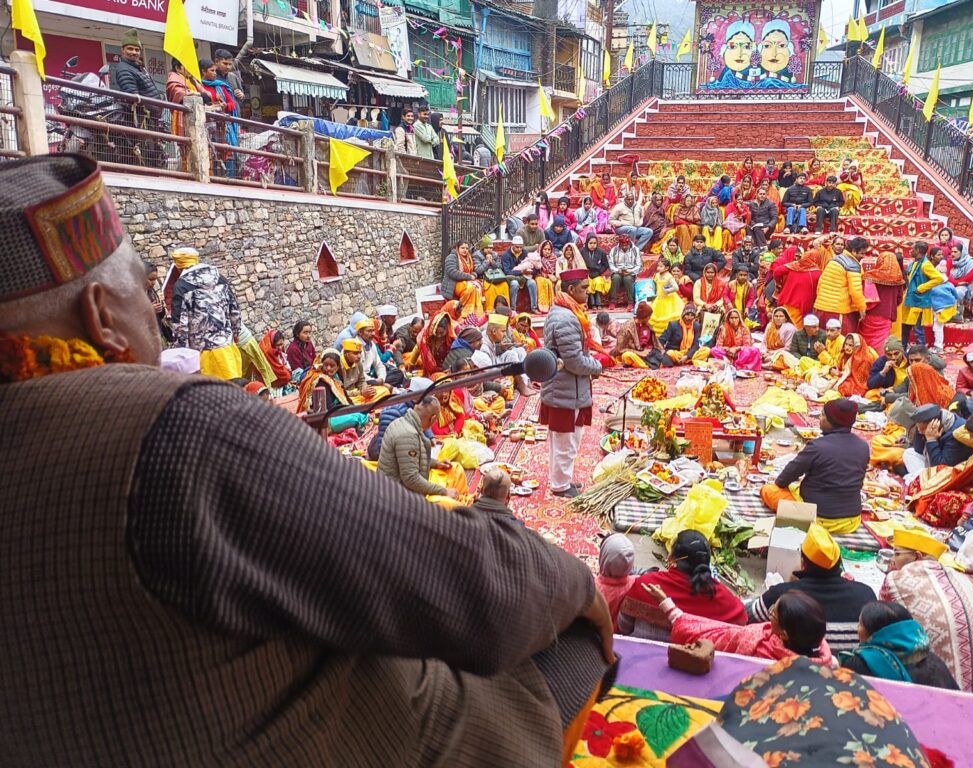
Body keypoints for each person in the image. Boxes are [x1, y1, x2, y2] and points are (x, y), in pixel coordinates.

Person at [0, 154, 614, 765]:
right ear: (102, 317)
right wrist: (577, 582)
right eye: (144, 294)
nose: (160, 320)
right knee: (571, 636)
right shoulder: (172, 427)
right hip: (370, 740)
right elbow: (476, 582)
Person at [880, 528, 973, 692]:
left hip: (933, 688)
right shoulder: (962, 579)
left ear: (917, 556)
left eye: (896, 554)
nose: (892, 560)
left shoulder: (895, 580)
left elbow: (877, 620)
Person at [748, 524, 875, 652]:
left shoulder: (781, 597)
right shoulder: (866, 596)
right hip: (850, 663)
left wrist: (790, 583)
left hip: (791, 662)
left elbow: (745, 616)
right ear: (839, 564)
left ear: (803, 563)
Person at [649, 585, 832, 665]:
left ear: (784, 634)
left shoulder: (759, 655)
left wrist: (669, 607)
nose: (768, 620)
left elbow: (714, 638)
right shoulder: (825, 659)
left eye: (773, 614)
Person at [760, 398, 868, 534]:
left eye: (822, 415)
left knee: (769, 490)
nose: (819, 419)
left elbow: (782, 480)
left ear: (832, 421)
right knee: (797, 488)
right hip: (850, 521)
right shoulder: (863, 446)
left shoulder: (817, 446)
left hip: (813, 518)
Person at [541, 269, 603, 498]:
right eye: (584, 288)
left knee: (566, 440)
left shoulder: (566, 311)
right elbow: (574, 361)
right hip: (565, 390)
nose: (588, 292)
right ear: (571, 289)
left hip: (566, 388)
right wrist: (597, 366)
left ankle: (562, 480)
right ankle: (560, 485)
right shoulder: (565, 318)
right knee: (565, 441)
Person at [619, 530, 746, 640]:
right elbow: (738, 630)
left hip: (642, 656)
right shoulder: (725, 599)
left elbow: (624, 627)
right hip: (699, 658)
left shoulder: (648, 585)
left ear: (672, 558)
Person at [840, 602, 958, 689]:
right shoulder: (932, 660)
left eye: (860, 624)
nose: (857, 628)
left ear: (876, 634)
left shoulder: (860, 664)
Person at [169, 249, 242, 380]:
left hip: (202, 354)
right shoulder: (219, 278)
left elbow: (180, 326)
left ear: (178, 266)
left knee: (212, 390)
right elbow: (234, 310)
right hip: (227, 348)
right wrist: (236, 332)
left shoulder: (181, 287)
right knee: (234, 386)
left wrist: (182, 353)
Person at [902, 403, 973, 481]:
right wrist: (920, 431)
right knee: (908, 453)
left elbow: (941, 467)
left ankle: (922, 480)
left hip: (951, 471)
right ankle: (920, 478)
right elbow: (918, 449)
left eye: (922, 429)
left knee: (911, 476)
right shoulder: (939, 422)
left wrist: (931, 440)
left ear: (935, 424)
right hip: (935, 458)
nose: (920, 432)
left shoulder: (955, 433)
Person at [815, 235, 867, 334]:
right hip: (838, 311)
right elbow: (855, 291)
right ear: (854, 251)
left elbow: (820, 283)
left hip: (821, 308)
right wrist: (862, 308)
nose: (863, 256)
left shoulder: (834, 260)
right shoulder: (852, 265)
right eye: (862, 253)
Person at [861, 250, 906, 353]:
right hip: (886, 316)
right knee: (881, 342)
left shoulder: (869, 276)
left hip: (869, 315)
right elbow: (899, 299)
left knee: (866, 341)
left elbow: (863, 296)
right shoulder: (898, 279)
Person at [902, 240, 943, 347]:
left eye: (913, 248)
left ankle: (921, 352)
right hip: (910, 300)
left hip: (918, 302)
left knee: (918, 331)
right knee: (905, 327)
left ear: (918, 250)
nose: (910, 250)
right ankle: (903, 349)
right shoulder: (913, 263)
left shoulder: (925, 265)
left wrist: (921, 288)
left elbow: (939, 278)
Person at [596, 534, 636, 633]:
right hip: (621, 636)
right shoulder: (635, 583)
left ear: (604, 558)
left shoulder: (594, 588)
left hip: (598, 636)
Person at [775, 247, 822, 327]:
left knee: (781, 328)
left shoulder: (794, 266)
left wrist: (779, 284)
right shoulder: (818, 273)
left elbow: (777, 271)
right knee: (794, 329)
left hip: (785, 302)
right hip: (800, 307)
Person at [112, 29, 161, 100]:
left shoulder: (138, 67)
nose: (134, 52)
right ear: (122, 50)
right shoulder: (124, 69)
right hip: (145, 107)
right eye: (130, 49)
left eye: (137, 50)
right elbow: (133, 99)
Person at [441, 241, 484, 318]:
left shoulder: (468, 258)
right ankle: (464, 313)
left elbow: (473, 271)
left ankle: (475, 313)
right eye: (462, 248)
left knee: (477, 286)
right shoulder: (451, 257)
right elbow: (452, 272)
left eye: (467, 248)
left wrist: (473, 275)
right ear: (457, 248)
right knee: (470, 287)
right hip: (454, 283)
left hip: (466, 281)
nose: (465, 250)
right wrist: (469, 277)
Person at [416, 301, 459, 376]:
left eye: (441, 333)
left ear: (447, 329)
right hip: (432, 370)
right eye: (436, 332)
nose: (439, 336)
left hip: (449, 369)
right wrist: (411, 364)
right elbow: (418, 348)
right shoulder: (428, 337)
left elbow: (457, 356)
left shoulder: (452, 337)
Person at [614, 302, 663, 368]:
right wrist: (639, 353)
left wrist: (649, 350)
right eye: (649, 317)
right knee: (626, 356)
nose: (650, 318)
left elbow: (656, 344)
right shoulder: (627, 327)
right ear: (644, 317)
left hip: (649, 353)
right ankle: (645, 366)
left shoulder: (647, 325)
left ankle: (648, 364)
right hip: (635, 353)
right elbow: (620, 349)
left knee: (662, 356)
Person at [500, 236, 539, 313]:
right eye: (517, 247)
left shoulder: (525, 253)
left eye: (521, 247)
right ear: (512, 245)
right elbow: (507, 272)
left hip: (525, 277)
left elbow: (532, 265)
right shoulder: (506, 255)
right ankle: (513, 309)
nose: (519, 249)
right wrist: (521, 272)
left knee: (532, 283)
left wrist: (530, 271)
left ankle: (534, 308)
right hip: (512, 278)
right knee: (514, 284)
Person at [650, 257, 684, 335]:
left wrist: (667, 291)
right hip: (659, 299)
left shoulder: (669, 277)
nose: (658, 268)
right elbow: (657, 285)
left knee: (668, 318)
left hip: (669, 300)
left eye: (661, 266)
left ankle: (668, 334)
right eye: (658, 266)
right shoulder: (657, 275)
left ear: (667, 268)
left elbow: (676, 287)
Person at [607, 233, 642, 308]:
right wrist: (617, 270)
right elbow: (611, 264)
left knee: (627, 279)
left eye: (626, 245)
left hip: (630, 272)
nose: (624, 247)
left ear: (629, 243)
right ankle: (612, 301)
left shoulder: (635, 250)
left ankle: (631, 302)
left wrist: (630, 271)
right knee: (616, 278)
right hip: (617, 272)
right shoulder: (614, 250)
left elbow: (639, 265)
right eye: (622, 245)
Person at [582, 234, 610, 308]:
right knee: (589, 283)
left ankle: (598, 303)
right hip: (586, 274)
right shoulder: (582, 251)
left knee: (598, 282)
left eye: (594, 243)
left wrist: (599, 272)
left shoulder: (601, 252)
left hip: (597, 273)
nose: (592, 245)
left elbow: (605, 264)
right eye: (590, 243)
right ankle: (593, 304)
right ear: (587, 243)